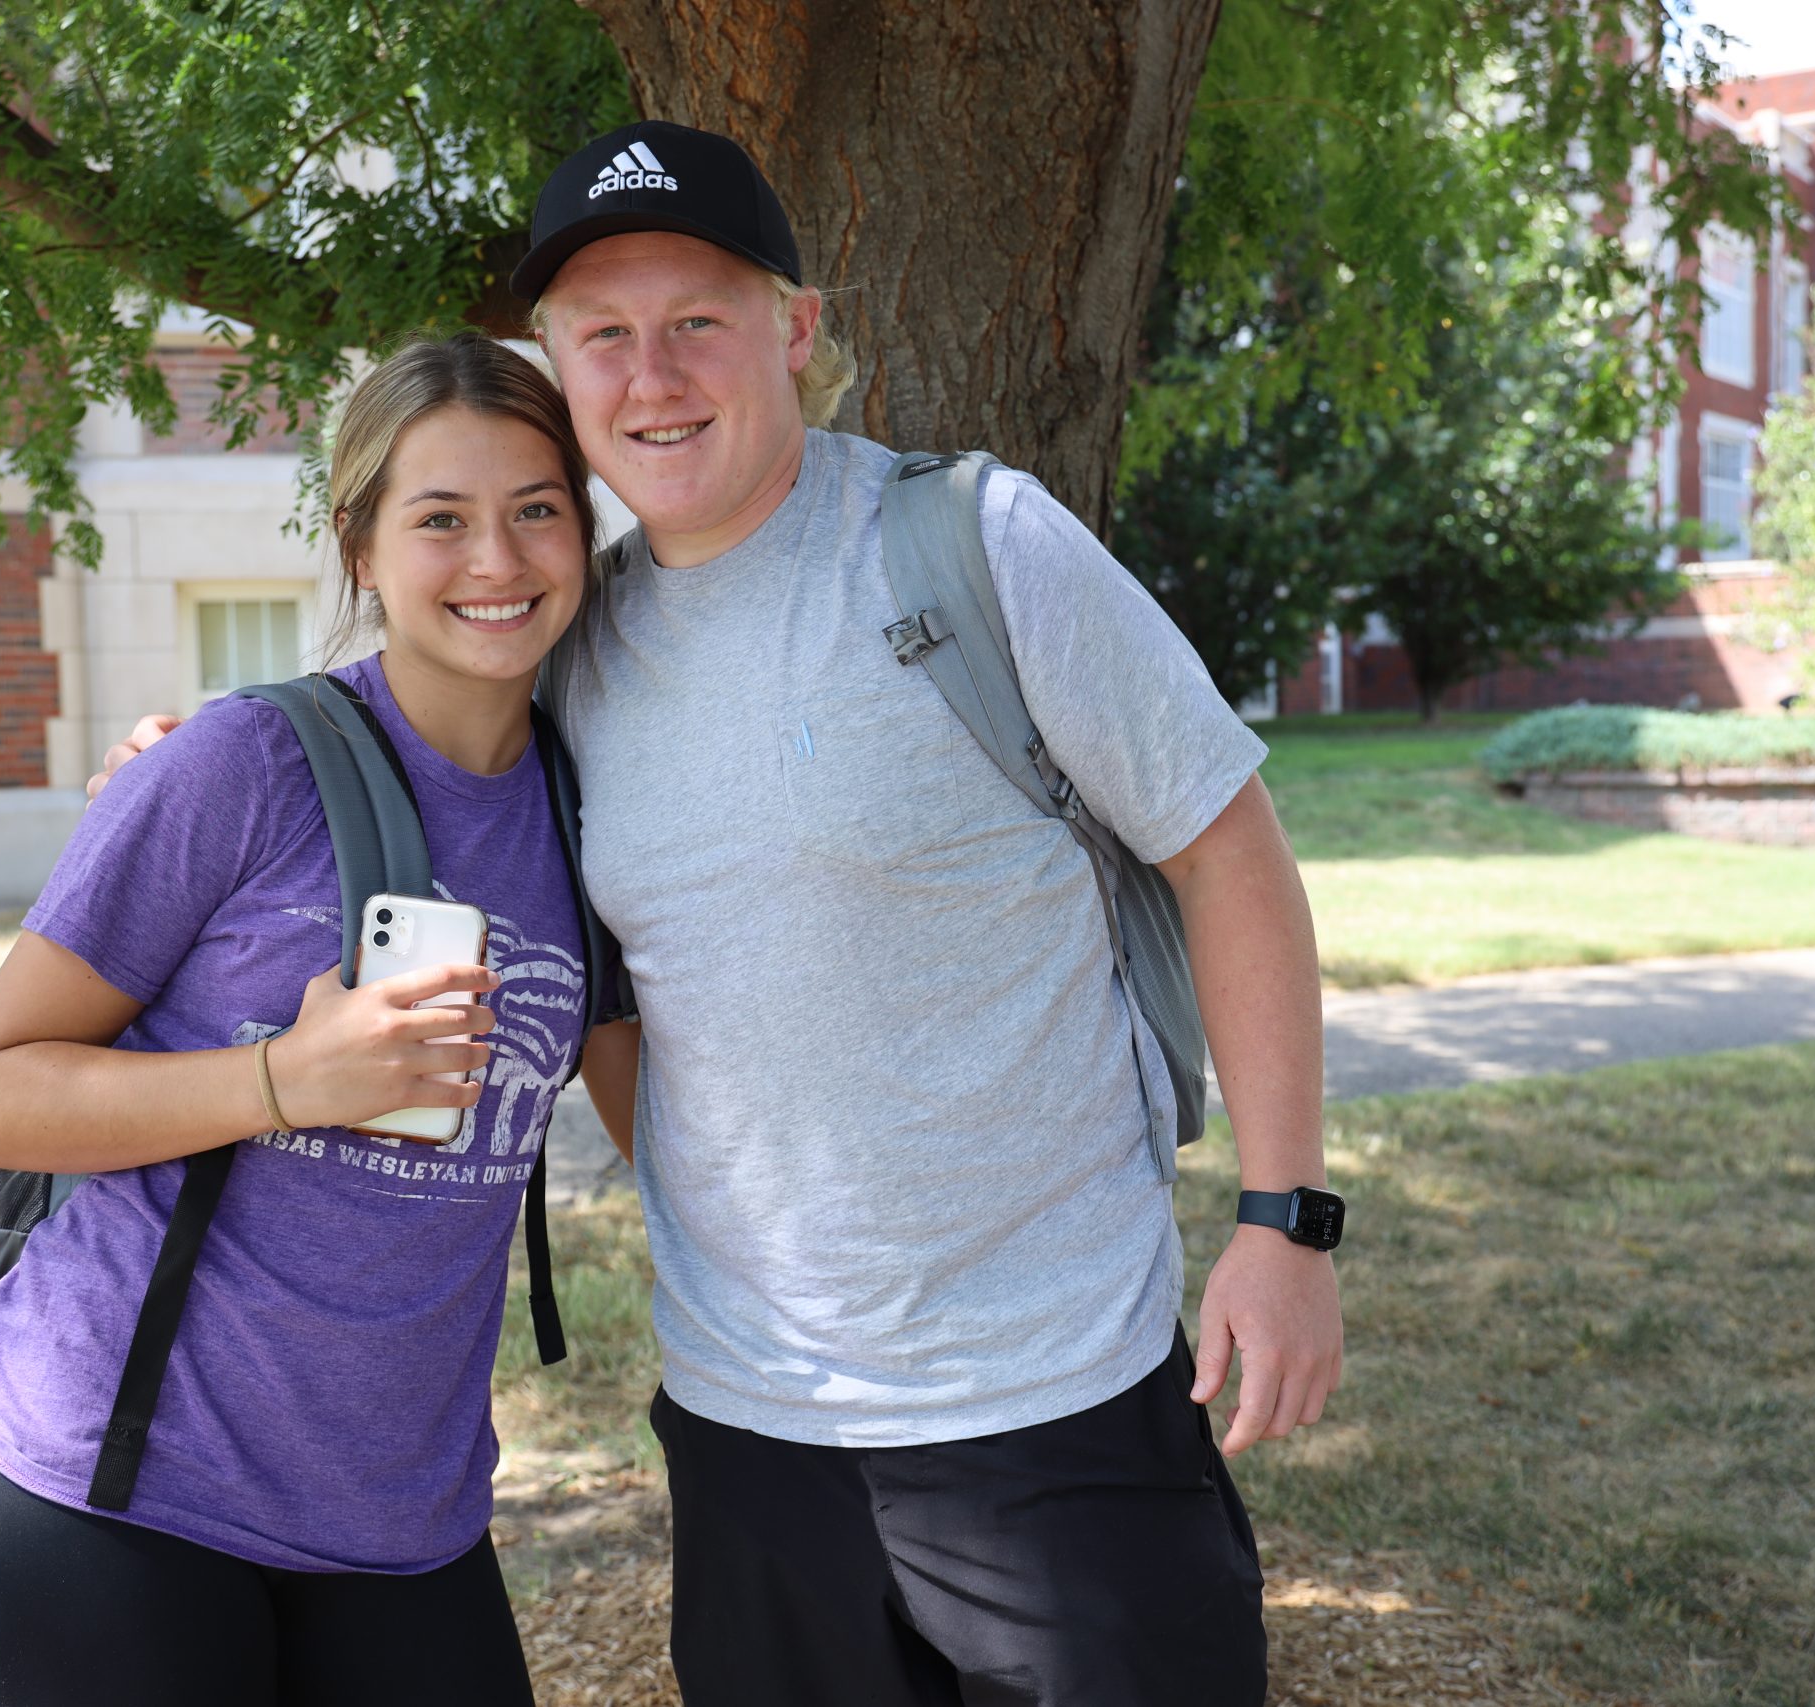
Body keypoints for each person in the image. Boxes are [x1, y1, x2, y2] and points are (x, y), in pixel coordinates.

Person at [97, 122, 1344, 1707]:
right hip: (754, 1440)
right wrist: (179, 767)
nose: (652, 375)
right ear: (554, 359)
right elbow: (457, 798)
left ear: (798, 330)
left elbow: (1228, 852)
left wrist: (1285, 1220)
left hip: (1055, 1410)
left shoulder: (977, 544)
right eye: (602, 335)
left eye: (698, 320)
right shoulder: (573, 644)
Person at [0, 332, 635, 1707]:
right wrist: (281, 1081)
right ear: (362, 548)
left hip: (403, 1519)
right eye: (441, 519)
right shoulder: (241, 764)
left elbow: (671, 1124)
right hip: (121, 1497)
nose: (496, 559)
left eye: (535, 510)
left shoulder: (593, 805)